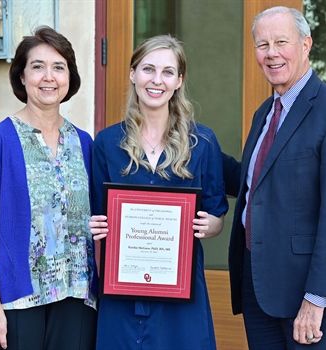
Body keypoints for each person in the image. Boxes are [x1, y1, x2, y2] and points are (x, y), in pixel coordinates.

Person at [89, 34, 228, 349]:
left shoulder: (202, 143)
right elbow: (98, 215)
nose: (156, 80)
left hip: (180, 294)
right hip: (122, 289)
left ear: (179, 80)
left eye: (167, 72)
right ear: (133, 74)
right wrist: (96, 226)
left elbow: (216, 215)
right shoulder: (107, 143)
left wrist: (210, 225)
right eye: (148, 69)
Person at [0, 26, 98, 350]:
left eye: (59, 67)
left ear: (69, 78)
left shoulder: (84, 143)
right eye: (38, 66)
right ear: (21, 77)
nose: (49, 77)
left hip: (77, 297)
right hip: (14, 302)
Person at [223, 6, 326, 349]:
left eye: (281, 41)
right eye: (262, 44)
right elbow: (256, 185)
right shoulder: (265, 112)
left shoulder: (324, 108)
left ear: (306, 44)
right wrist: (196, 145)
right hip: (257, 285)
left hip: (304, 296)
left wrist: (316, 298)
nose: (271, 53)